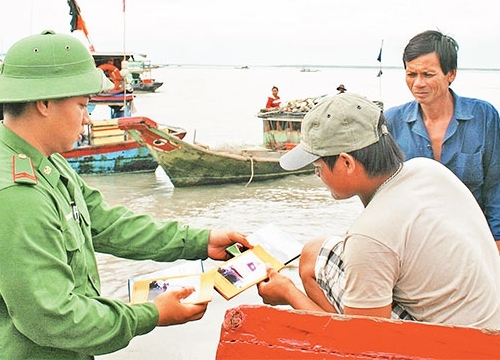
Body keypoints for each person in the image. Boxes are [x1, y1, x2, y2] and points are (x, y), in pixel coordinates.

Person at [0, 30, 250, 358]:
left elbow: (108, 224)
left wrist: (200, 241)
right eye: (81, 105)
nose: (87, 118)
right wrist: (152, 314)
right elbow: (53, 318)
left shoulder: (50, 163)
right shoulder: (19, 195)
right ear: (45, 104)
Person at [257, 93, 500, 328]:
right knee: (312, 253)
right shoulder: (428, 169)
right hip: (488, 327)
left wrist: (289, 294)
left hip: (458, 347)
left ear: (347, 163)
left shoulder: (370, 233)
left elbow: (366, 345)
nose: (318, 175)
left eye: (318, 168)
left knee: (354, 330)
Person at [384, 30, 500, 249]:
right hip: (415, 244)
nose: (418, 83)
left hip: (474, 240)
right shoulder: (392, 121)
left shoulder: (484, 116)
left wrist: (496, 246)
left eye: (428, 75)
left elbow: (496, 187)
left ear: (451, 74)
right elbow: (383, 191)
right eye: (411, 74)